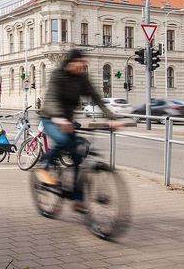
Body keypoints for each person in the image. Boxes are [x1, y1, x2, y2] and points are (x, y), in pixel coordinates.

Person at [36, 48, 122, 213]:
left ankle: (77, 199)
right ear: (71, 62)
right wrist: (59, 118)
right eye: (80, 62)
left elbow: (96, 97)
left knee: (78, 155)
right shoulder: (58, 75)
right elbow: (53, 98)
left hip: (67, 121)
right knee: (63, 141)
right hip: (50, 118)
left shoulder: (81, 79)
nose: (83, 65)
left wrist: (111, 117)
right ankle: (44, 165)